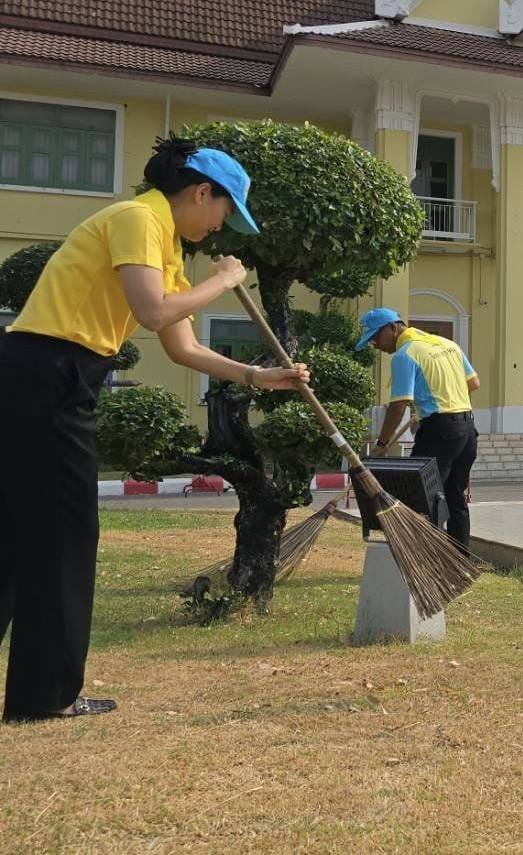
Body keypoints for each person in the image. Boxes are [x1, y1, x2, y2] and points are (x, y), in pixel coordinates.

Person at [0, 135, 307, 723]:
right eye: (223, 213)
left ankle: (40, 691)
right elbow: (153, 312)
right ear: (200, 193)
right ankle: (45, 696)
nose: (220, 230)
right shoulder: (140, 217)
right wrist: (224, 279)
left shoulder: (161, 241)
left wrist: (255, 375)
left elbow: (181, 343)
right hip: (49, 373)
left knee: (15, 531)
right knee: (65, 533)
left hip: (44, 374)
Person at [360, 308, 480, 549]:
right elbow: (473, 383)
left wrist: (382, 445)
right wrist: (433, 405)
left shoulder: (405, 355)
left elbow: (397, 407)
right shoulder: (448, 344)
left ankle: (428, 559)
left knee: (423, 498)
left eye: (375, 337)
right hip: (467, 430)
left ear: (393, 327)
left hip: (439, 431)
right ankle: (459, 561)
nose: (374, 344)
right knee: (454, 496)